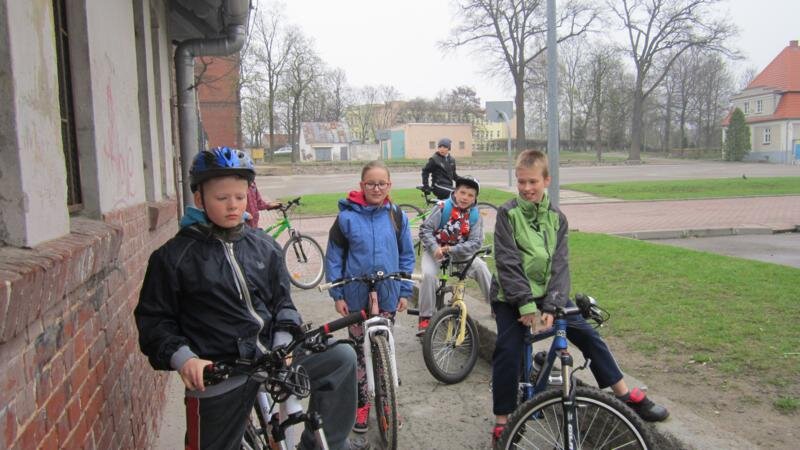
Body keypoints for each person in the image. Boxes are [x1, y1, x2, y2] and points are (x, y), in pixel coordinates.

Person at [134, 146, 360, 450]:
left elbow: (283, 303)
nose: (233, 205)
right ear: (199, 200)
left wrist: (282, 343)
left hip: (273, 355)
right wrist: (185, 359)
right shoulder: (173, 257)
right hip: (220, 370)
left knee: (341, 358)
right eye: (221, 198)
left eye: (240, 197)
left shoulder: (263, 246)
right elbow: (155, 322)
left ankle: (322, 446)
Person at [490, 149, 669, 445]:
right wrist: (525, 305)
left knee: (588, 336)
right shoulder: (507, 214)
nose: (526, 188)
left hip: (549, 292)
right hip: (512, 295)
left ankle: (624, 395)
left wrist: (552, 305)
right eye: (521, 182)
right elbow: (508, 263)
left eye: (533, 181)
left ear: (546, 180)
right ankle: (502, 420)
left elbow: (560, 265)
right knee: (508, 351)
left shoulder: (557, 218)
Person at [325, 160, 416, 434]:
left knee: (385, 351)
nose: (376, 188)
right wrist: (337, 294)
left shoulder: (397, 215)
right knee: (359, 354)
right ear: (361, 185)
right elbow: (334, 258)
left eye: (382, 183)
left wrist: (404, 290)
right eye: (371, 184)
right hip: (356, 297)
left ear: (389, 185)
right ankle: (362, 403)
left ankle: (387, 402)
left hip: (387, 293)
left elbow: (406, 255)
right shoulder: (346, 219)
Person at [416, 175, 493, 336]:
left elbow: (476, 243)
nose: (465, 198)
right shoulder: (442, 207)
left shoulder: (475, 215)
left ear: (475, 198)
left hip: (458, 252)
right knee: (428, 275)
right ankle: (425, 317)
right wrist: (435, 248)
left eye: (470, 195)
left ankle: (497, 306)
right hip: (435, 250)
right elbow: (425, 230)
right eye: (462, 193)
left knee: (481, 267)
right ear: (455, 192)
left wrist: (451, 249)